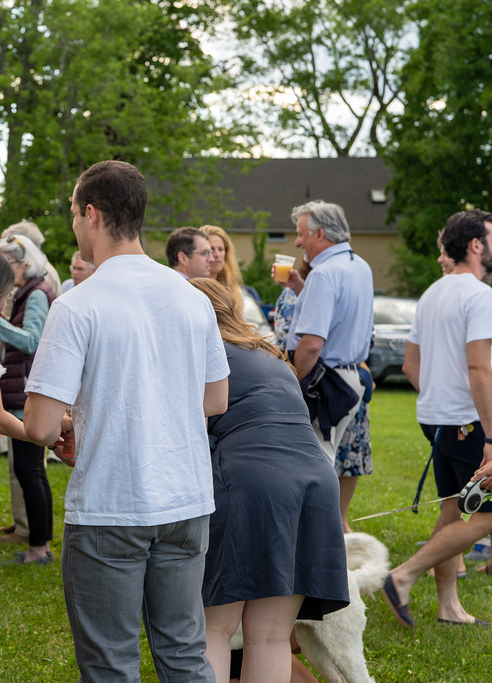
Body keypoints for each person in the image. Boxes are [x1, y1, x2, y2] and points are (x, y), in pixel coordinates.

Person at [24, 160, 229, 680]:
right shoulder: (192, 297)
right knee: (184, 653)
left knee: (111, 662)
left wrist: (70, 423)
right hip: (185, 498)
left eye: (74, 213)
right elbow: (215, 401)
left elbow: (41, 425)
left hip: (110, 505)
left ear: (91, 213)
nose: (73, 224)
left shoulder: (77, 305)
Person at [188, 277, 348, 682]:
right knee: (272, 636)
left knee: (214, 627)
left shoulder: (198, 354)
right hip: (314, 482)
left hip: (250, 482)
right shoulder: (270, 353)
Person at [383, 209, 492, 629]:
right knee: (484, 515)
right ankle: (403, 576)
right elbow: (480, 369)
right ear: (476, 244)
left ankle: (449, 606)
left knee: (451, 509)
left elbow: (412, 365)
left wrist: (439, 399)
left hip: (437, 418)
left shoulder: (432, 291)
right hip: (468, 421)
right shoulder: (479, 295)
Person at [285, 200, 373, 533]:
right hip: (349, 378)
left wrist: (290, 381)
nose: (297, 243)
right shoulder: (359, 266)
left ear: (320, 233)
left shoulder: (324, 273)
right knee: (327, 463)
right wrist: (301, 290)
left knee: (314, 466)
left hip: (324, 383)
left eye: (300, 234)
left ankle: (319, 545)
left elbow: (312, 343)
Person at [0, 233, 56, 561]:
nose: (7, 269)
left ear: (25, 262)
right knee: (32, 471)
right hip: (24, 390)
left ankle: (38, 548)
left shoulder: (35, 295)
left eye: (10, 263)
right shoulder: (28, 291)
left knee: (31, 472)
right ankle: (40, 543)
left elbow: (33, 341)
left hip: (28, 391)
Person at [1, 220, 63, 295]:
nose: (3, 247)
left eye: (9, 245)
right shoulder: (39, 269)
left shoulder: (42, 273)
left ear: (25, 244)